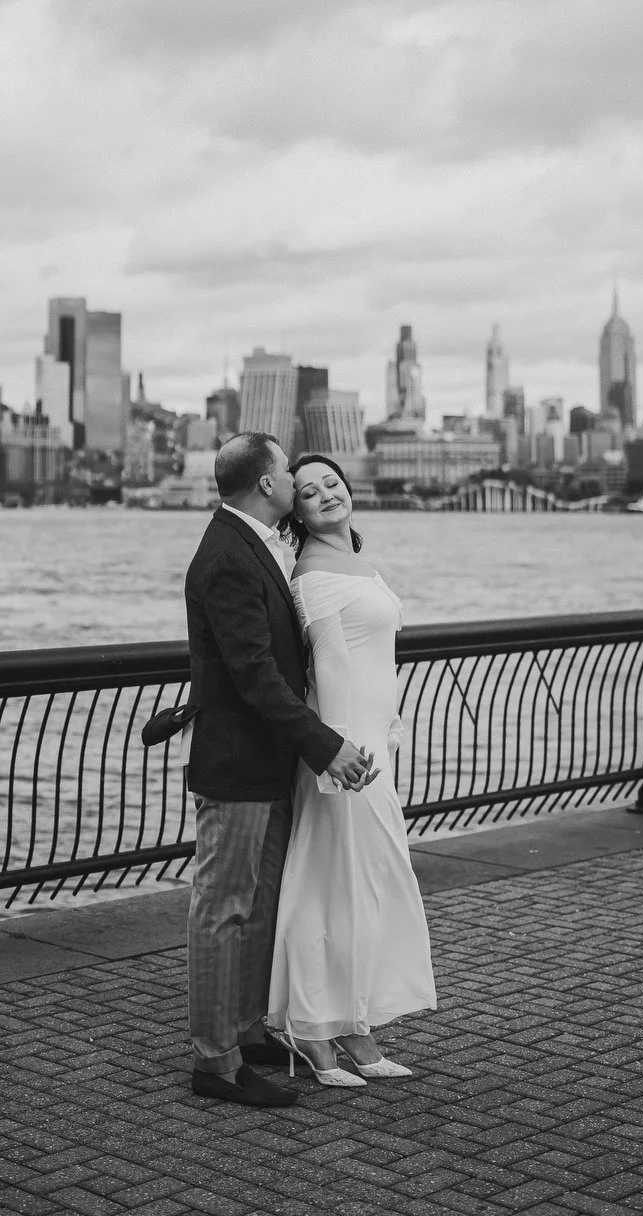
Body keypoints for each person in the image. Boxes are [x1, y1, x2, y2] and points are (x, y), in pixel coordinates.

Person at [183, 432, 378, 1108]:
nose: (298, 480)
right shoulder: (227, 556)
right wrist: (326, 746)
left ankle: (245, 1030)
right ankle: (215, 1061)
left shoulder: (256, 544)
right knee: (223, 908)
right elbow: (255, 676)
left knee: (259, 905)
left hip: (267, 761)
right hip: (237, 765)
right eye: (288, 473)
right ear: (267, 484)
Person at [266, 453, 437, 1084]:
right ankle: (313, 1031)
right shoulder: (314, 572)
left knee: (360, 888)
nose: (325, 495)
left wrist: (386, 731)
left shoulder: (353, 560)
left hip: (371, 747)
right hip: (347, 756)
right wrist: (334, 758)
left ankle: (352, 1025)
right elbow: (331, 665)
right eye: (309, 492)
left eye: (331, 483)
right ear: (298, 512)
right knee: (332, 888)